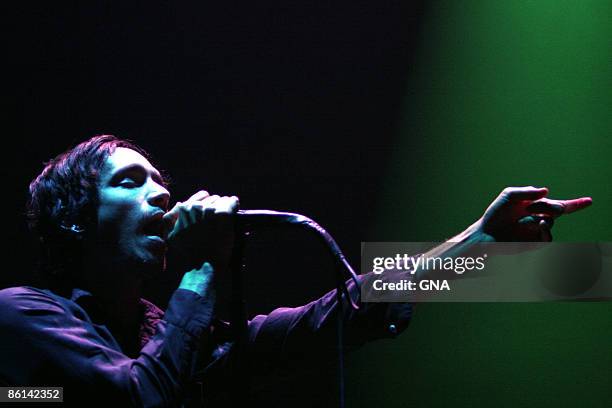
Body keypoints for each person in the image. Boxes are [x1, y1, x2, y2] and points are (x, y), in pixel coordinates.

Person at [0, 135, 592, 406]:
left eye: (162, 183)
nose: (161, 196)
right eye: (131, 182)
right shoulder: (21, 315)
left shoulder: (171, 335)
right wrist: (205, 266)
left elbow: (341, 311)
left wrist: (477, 243)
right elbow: (138, 399)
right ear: (75, 220)